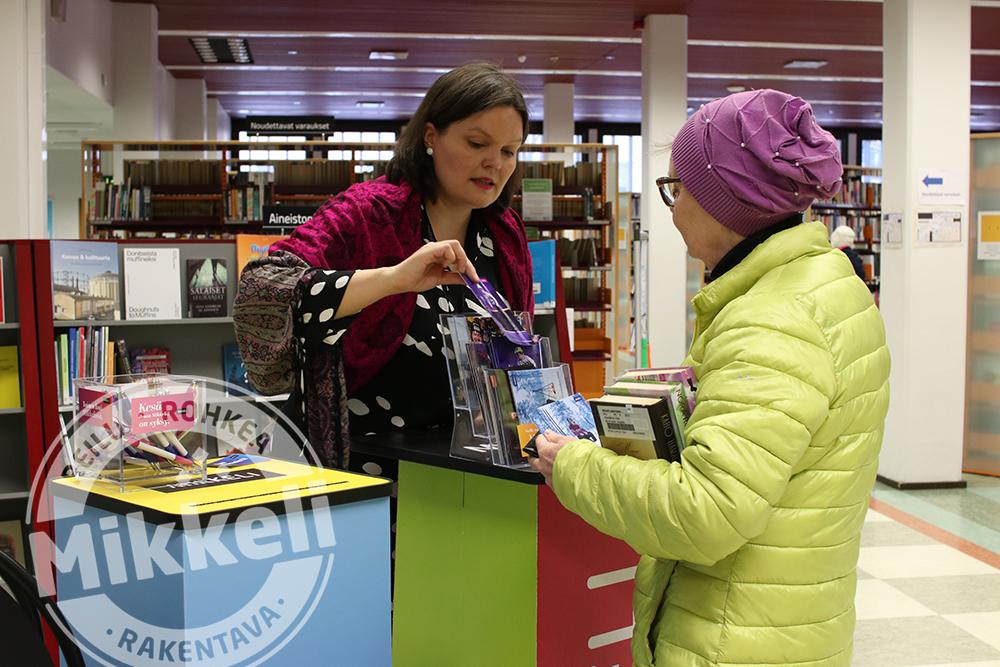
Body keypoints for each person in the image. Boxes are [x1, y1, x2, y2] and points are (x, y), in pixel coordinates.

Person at [530, 89, 890, 667]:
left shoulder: (773, 320)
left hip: (732, 638)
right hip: (784, 619)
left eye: (677, 188)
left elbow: (708, 511)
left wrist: (572, 463)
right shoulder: (822, 286)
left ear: (727, 200)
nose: (670, 209)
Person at [233, 62, 533, 476]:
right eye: (477, 143)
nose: (494, 164)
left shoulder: (505, 234)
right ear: (431, 136)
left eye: (508, 151)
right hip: (366, 471)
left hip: (477, 475)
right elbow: (261, 291)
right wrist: (392, 280)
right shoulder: (368, 213)